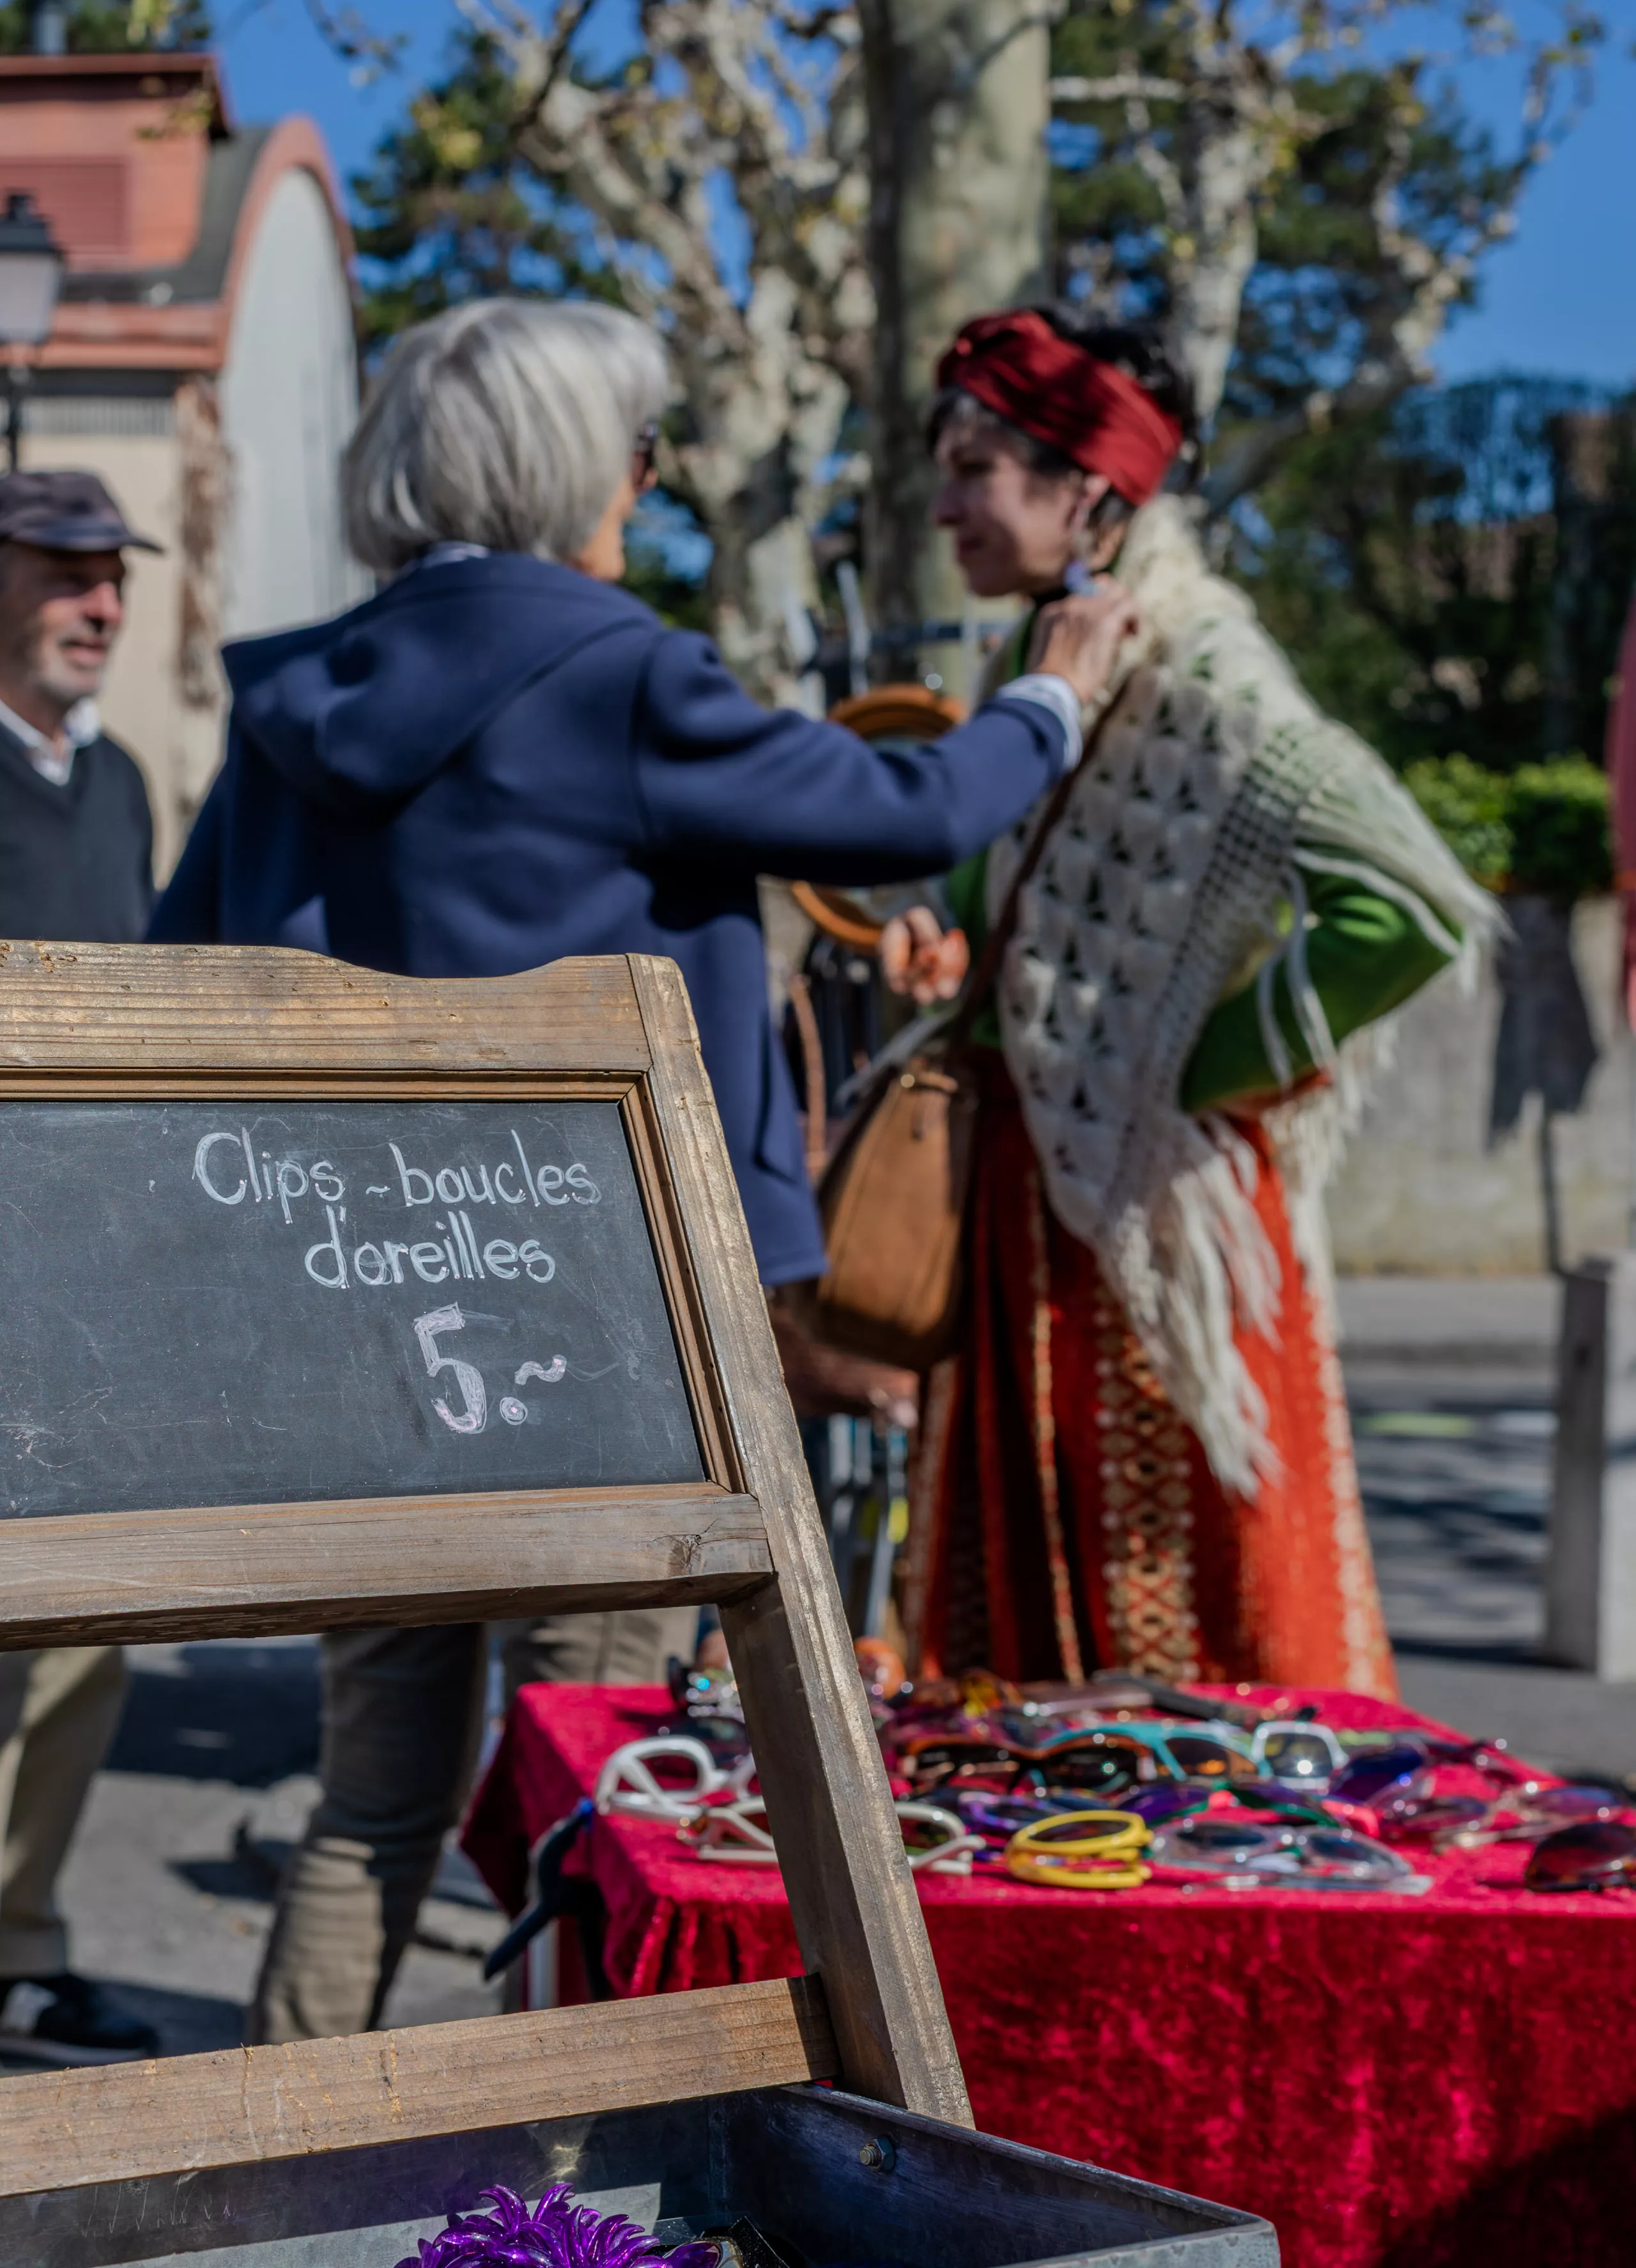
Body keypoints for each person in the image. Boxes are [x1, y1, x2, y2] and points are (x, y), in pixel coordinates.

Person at [150, 297, 1132, 2040]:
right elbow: (901, 817)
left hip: (353, 1318)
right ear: (573, 467)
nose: (651, 480)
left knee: (373, 1797)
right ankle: (562, 2203)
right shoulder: (615, 673)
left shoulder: (295, 701)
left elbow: (175, 979)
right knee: (592, 1783)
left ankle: (261, 2181)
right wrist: (1052, 697)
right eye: (638, 448)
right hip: (593, 1311)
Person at [883, 305, 1494, 1694]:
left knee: (1195, 1645)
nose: (941, 504)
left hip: (1152, 1229)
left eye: (976, 467)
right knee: (1024, 1674)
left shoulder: (1204, 673)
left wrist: (1181, 1068)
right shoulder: (1043, 659)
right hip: (1023, 1220)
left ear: (1089, 491)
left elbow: (1408, 903)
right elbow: (1033, 932)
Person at [0, 470, 160, 2063]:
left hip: (90, 1279)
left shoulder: (119, 784)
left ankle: (18, 1940)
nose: (102, 605)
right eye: (66, 570)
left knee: (76, 1641)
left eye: (115, 576)